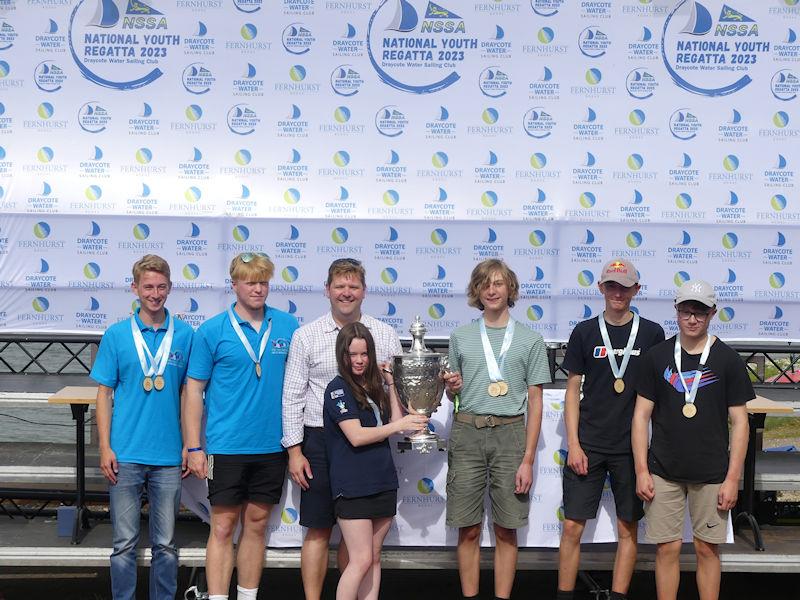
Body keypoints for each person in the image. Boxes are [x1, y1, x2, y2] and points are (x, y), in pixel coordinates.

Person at [282, 258, 402, 600]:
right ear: (327, 290)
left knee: (361, 547)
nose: (346, 293)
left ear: (364, 291)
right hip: (319, 441)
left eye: (353, 286)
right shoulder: (306, 335)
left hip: (368, 442)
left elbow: (398, 388)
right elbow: (292, 395)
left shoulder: (385, 334)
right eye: (339, 286)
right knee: (319, 529)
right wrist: (294, 451)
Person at [184, 253, 298, 600]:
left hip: (271, 446)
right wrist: (193, 447)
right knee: (221, 526)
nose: (258, 288)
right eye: (250, 282)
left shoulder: (288, 326)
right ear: (234, 285)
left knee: (257, 526)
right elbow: (193, 390)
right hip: (227, 446)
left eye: (263, 282)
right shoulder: (212, 330)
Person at [632, 280, 752, 600]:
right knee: (667, 549)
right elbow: (640, 417)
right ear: (676, 311)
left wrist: (732, 478)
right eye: (686, 310)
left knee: (706, 550)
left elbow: (740, 423)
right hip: (662, 469)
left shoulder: (727, 359)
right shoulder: (657, 357)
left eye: (700, 311)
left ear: (713, 313)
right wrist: (642, 470)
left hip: (712, 472)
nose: (692, 318)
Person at [557, 258, 665, 600]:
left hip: (631, 449)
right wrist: (574, 444)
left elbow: (658, 394)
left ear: (637, 289)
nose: (618, 292)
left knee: (627, 528)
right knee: (572, 526)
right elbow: (572, 391)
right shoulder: (584, 332)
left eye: (625, 286)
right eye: (611, 286)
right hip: (589, 444)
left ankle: (618, 596)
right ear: (601, 288)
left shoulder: (652, 333)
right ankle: (564, 594)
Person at [444, 259, 551, 600]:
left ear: (510, 290)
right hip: (467, 432)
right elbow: (453, 392)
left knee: (507, 530)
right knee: (469, 529)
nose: (491, 290)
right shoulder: (460, 337)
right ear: (477, 291)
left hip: (510, 436)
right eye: (485, 284)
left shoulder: (530, 340)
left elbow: (536, 402)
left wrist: (528, 459)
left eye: (499, 284)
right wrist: (451, 388)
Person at [91, 254, 194, 600]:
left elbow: (188, 394)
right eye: (148, 286)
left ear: (170, 288)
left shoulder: (184, 334)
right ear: (134, 288)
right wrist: (105, 447)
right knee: (124, 544)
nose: (155, 293)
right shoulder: (117, 335)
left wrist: (189, 443)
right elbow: (103, 395)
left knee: (165, 544)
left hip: (167, 456)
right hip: (125, 454)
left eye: (161, 286)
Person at [323, 322, 428, 600]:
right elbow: (356, 436)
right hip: (353, 484)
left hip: (382, 479)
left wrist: (391, 383)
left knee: (374, 556)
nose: (358, 361)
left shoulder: (374, 386)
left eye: (364, 354)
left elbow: (397, 423)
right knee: (360, 560)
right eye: (352, 355)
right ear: (341, 356)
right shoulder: (337, 389)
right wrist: (399, 425)